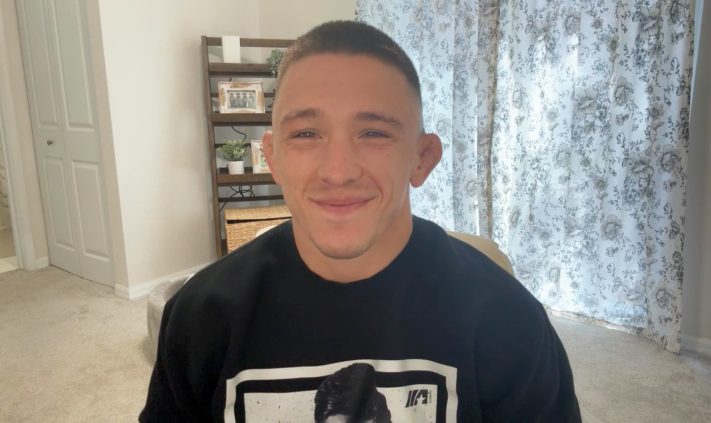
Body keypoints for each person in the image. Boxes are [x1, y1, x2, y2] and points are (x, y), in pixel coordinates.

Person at [140, 20, 581, 422]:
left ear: (422, 158)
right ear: (273, 159)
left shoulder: (508, 320)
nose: (338, 171)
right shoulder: (202, 316)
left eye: (374, 133)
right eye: (306, 133)